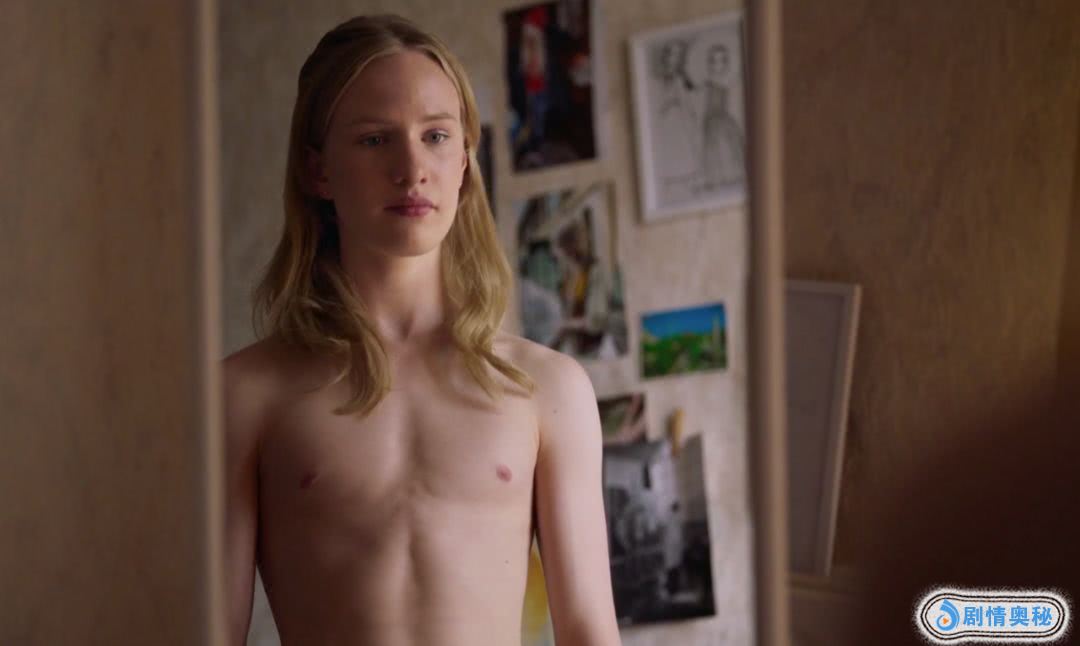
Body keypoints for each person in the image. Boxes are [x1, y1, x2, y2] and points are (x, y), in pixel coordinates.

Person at [223, 14, 621, 646]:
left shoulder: (549, 389)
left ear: (464, 160)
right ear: (317, 171)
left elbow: (589, 630)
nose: (412, 169)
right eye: (375, 139)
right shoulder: (244, 395)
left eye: (435, 135)